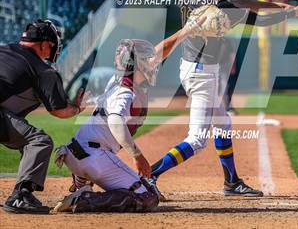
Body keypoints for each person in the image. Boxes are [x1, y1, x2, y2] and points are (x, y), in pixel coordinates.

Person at [149, 0, 298, 198]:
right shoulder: (219, 11)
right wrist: (290, 15)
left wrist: (280, 6)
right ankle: (149, 176)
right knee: (197, 139)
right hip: (202, 73)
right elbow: (257, 20)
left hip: (195, 68)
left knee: (223, 124)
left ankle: (231, 182)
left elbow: (244, 3)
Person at [53, 19, 205, 213]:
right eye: (145, 60)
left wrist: (185, 32)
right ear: (136, 63)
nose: (152, 63)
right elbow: (116, 120)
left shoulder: (118, 81)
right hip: (94, 158)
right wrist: (137, 155)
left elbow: (160, 52)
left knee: (144, 188)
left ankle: (81, 182)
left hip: (79, 154)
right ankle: (84, 198)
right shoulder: (126, 91)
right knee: (148, 197)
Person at [0, 19, 86, 214]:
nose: (54, 48)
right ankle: (21, 197)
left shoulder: (3, 50)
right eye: (53, 43)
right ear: (45, 44)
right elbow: (59, 110)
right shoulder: (43, 70)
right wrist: (77, 108)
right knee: (39, 141)